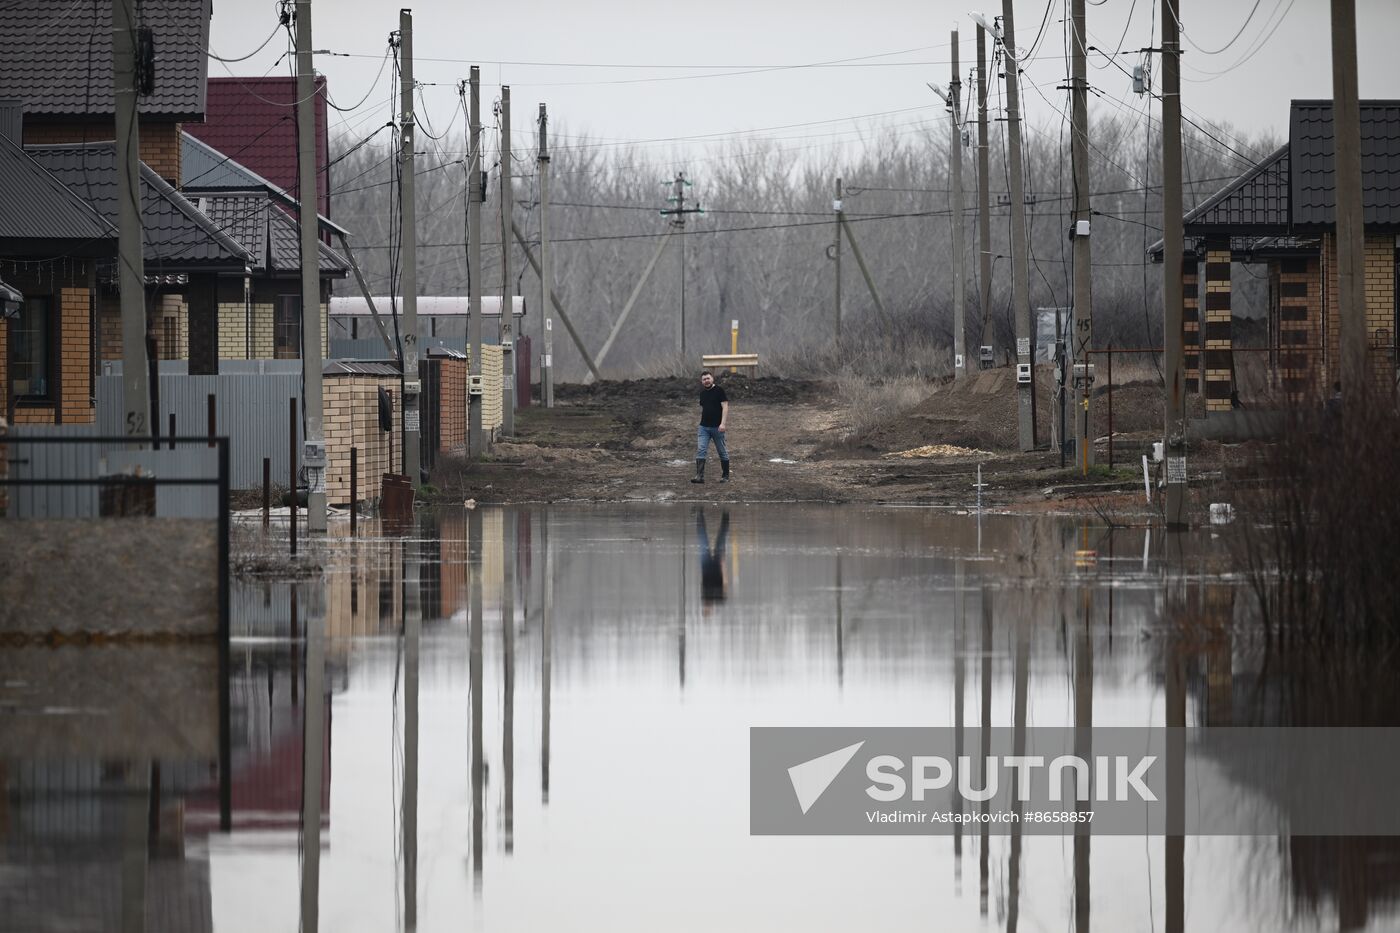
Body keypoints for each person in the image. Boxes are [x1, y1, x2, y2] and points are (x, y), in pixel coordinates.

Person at [691, 370, 730, 483]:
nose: (706, 381)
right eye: (704, 379)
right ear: (701, 381)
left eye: (708, 378)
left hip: (717, 428)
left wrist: (723, 423)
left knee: (722, 451)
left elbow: (725, 407)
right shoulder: (702, 394)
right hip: (703, 427)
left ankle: (725, 476)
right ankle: (699, 476)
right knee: (701, 450)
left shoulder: (719, 391)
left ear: (712, 378)